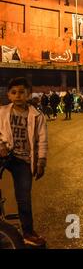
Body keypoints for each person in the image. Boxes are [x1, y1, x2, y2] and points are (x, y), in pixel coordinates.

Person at [0, 77, 48, 247]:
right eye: (14, 92)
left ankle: (28, 232)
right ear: (9, 95)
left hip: (24, 161)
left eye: (22, 92)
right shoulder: (2, 111)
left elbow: (42, 140)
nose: (18, 95)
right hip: (4, 156)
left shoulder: (37, 116)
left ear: (29, 94)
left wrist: (41, 161)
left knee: (24, 198)